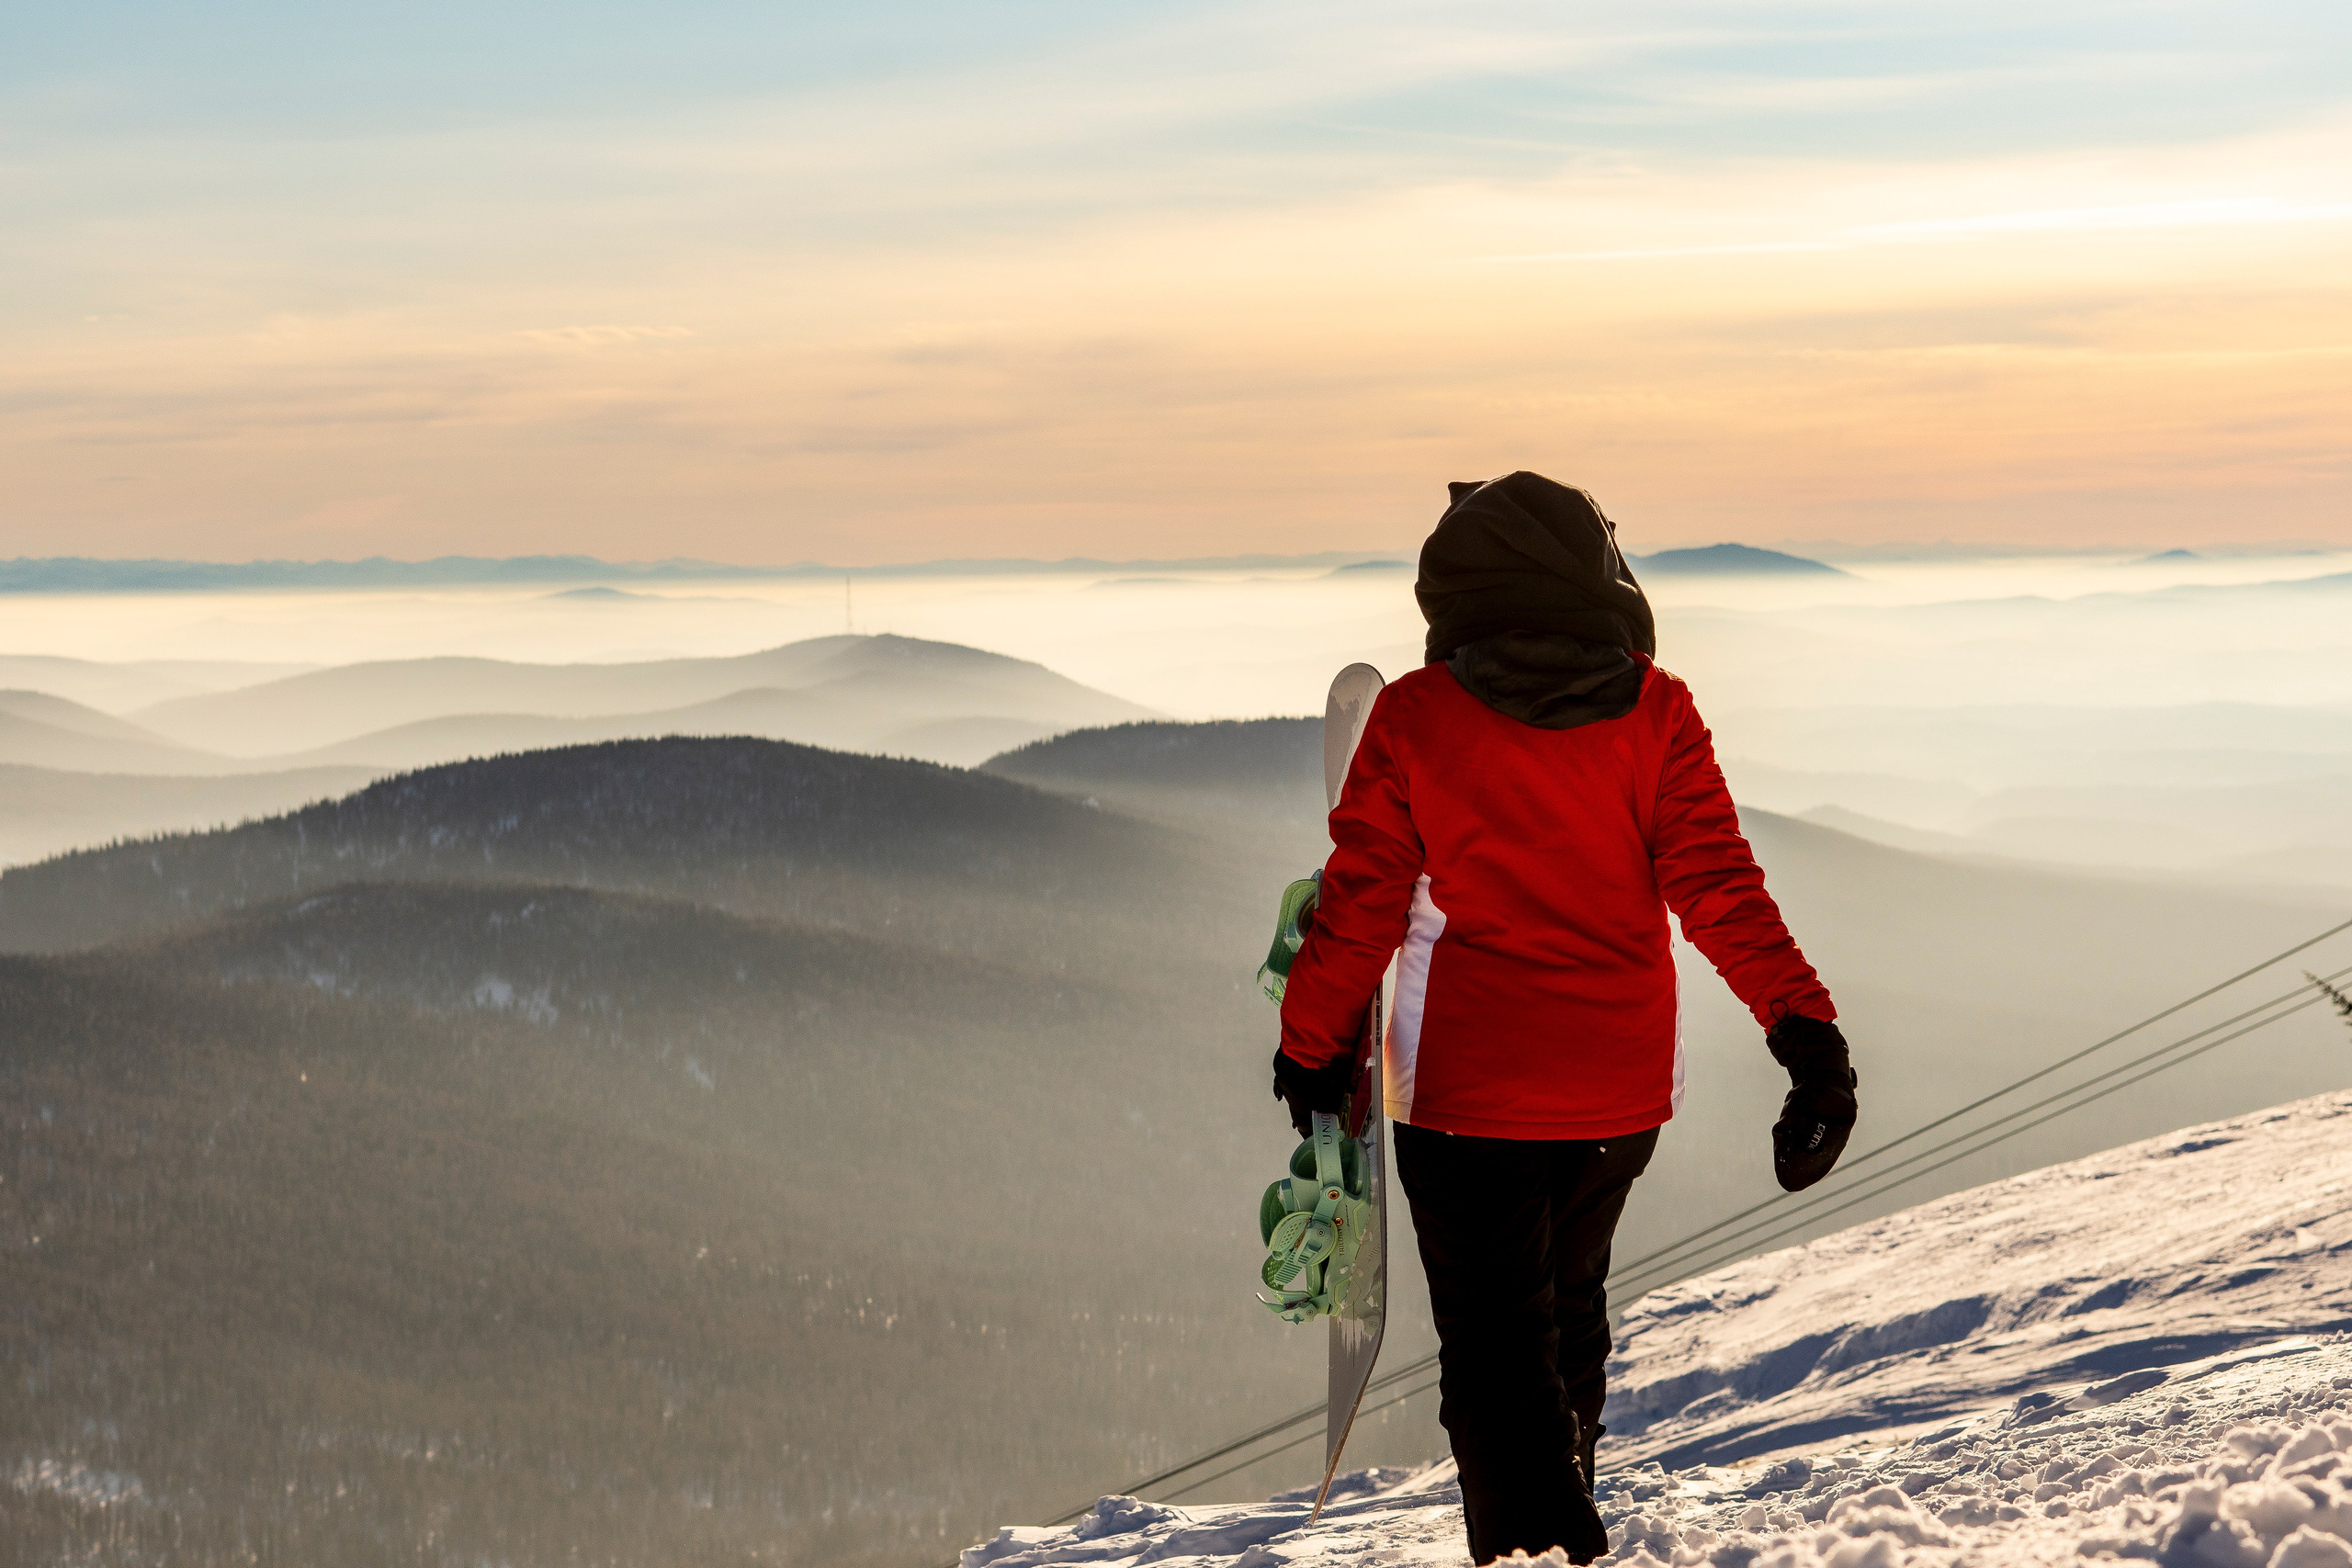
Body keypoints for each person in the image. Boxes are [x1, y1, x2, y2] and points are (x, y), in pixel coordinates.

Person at [1271, 472, 1859, 1566]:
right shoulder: (1657, 709)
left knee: (1495, 1367)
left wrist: (1309, 1050)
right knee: (1562, 1316)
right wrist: (1807, 1042)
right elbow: (1721, 889)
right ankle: (1559, 1507)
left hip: (1464, 1100)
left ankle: (1545, 1554)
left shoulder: (1414, 718)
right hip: (1615, 1094)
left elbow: (1359, 912)